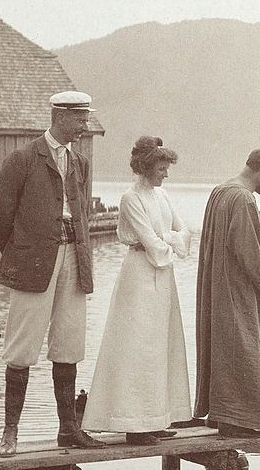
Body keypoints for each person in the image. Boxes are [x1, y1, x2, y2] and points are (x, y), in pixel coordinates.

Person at [0, 90, 106, 456]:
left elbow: (83, 213)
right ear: (61, 116)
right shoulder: (23, 158)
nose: (85, 125)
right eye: (80, 119)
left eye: (86, 119)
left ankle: (68, 429)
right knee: (22, 346)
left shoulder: (81, 162)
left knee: (69, 341)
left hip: (75, 259)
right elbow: (0, 218)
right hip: (33, 263)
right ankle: (10, 433)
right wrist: (22, 254)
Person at [82, 137, 192, 444]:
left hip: (163, 279)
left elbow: (184, 233)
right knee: (138, 346)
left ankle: (156, 417)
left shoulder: (163, 195)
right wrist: (166, 239)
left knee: (159, 345)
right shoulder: (131, 198)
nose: (166, 174)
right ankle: (134, 423)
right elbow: (152, 244)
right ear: (146, 166)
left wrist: (166, 239)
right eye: (161, 167)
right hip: (140, 276)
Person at [191, 149, 260, 438]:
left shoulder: (222, 191)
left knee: (225, 347)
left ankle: (223, 414)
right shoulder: (242, 198)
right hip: (237, 289)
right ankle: (241, 420)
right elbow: (247, 250)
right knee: (249, 347)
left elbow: (235, 237)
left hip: (219, 285)